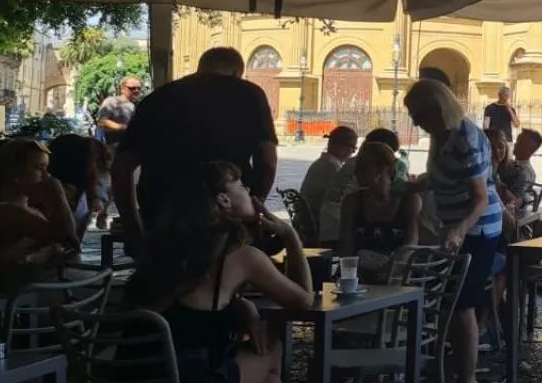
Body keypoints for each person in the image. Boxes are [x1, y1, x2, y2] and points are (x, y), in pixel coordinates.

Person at [120, 161, 312, 383]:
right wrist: (290, 236)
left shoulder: (166, 246)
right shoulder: (243, 257)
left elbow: (183, 303)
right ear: (223, 200)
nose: (248, 190)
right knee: (272, 348)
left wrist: (241, 305)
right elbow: (304, 300)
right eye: (240, 185)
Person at [403, 79, 504, 383]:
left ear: (436, 109)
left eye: (417, 113)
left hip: (477, 231)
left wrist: (459, 229)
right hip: (457, 230)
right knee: (452, 304)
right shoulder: (440, 137)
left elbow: (478, 197)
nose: (415, 120)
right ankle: (452, 378)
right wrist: (412, 188)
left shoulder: (465, 138)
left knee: (461, 305)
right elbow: (445, 178)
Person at [113, 48, 279, 242]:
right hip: (225, 215)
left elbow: (121, 168)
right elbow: (267, 162)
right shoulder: (250, 94)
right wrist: (253, 207)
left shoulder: (159, 97)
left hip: (163, 213)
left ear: (199, 68)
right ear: (236, 73)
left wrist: (133, 226)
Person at [0, 138, 78, 268]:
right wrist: (57, 193)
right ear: (13, 172)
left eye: (46, 168)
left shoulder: (29, 209)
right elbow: (67, 238)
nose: (46, 176)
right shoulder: (6, 212)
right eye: (39, 168)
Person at [339, 143, 421, 282]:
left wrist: (389, 272)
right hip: (361, 278)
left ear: (383, 170)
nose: (356, 172)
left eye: (362, 167)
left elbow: (411, 244)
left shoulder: (409, 201)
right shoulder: (352, 202)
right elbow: (346, 247)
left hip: (398, 277)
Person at [317, 128, 408, 246]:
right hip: (341, 231)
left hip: (326, 228)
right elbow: (396, 192)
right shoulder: (369, 165)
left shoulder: (352, 162)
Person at [300, 127, 357, 217]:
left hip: (307, 217)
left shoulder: (321, 163)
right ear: (341, 146)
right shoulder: (333, 169)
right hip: (318, 220)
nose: (353, 152)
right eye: (353, 147)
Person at [94, 76, 143, 147]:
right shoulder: (112, 102)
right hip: (117, 148)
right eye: (132, 88)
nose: (136, 91)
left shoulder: (141, 105)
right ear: (122, 89)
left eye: (139, 88)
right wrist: (124, 127)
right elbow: (102, 122)